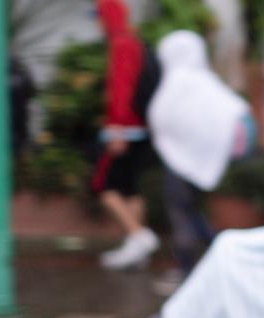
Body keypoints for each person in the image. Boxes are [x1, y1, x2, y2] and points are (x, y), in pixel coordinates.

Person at [147, 30, 255, 284]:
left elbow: (160, 118)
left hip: (178, 164)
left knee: (181, 213)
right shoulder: (208, 83)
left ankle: (187, 271)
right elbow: (236, 111)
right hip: (202, 162)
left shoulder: (175, 85)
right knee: (194, 211)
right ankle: (221, 263)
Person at [93, 0, 159, 271]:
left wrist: (116, 128)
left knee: (105, 187)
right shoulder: (135, 42)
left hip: (125, 128)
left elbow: (122, 89)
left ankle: (139, 236)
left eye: (98, 16)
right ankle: (136, 249)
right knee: (130, 188)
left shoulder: (121, 44)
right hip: (139, 128)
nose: (97, 22)